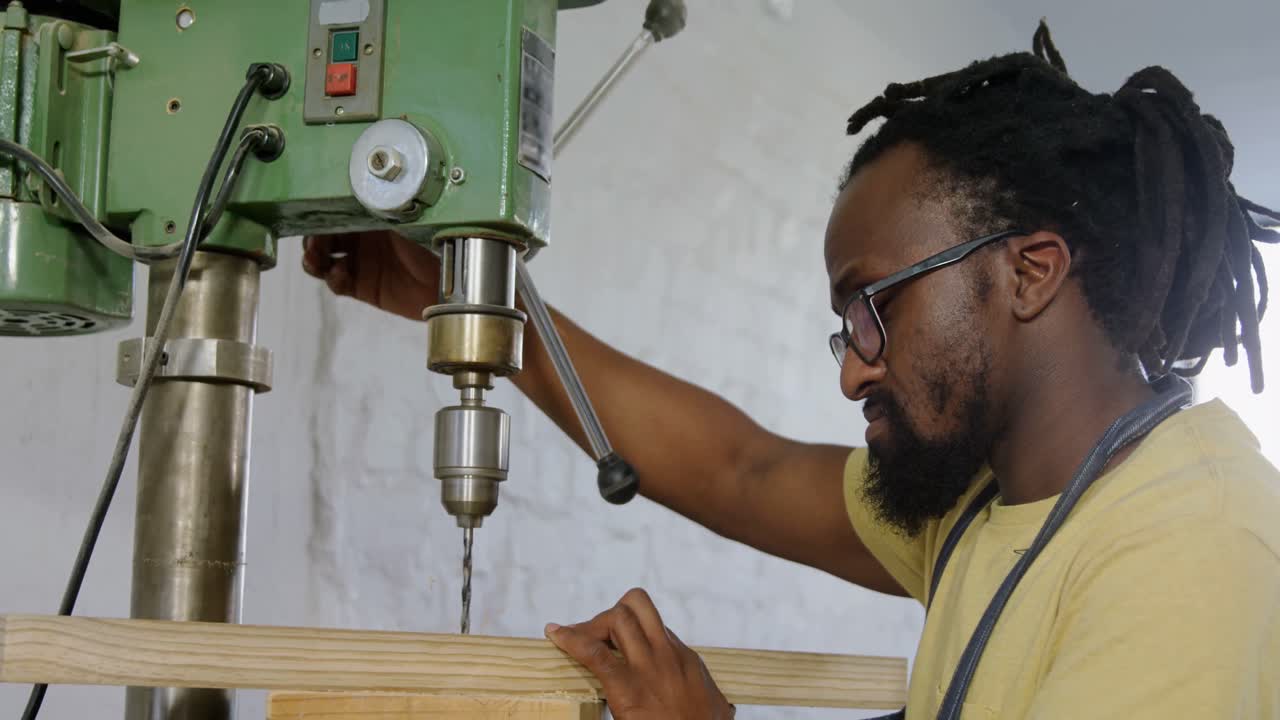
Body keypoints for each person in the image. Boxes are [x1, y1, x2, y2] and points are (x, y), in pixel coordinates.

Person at [304, 24, 1280, 720]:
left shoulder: (1188, 544)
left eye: (873, 307)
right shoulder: (987, 498)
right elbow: (743, 470)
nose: (855, 373)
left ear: (1025, 272)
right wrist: (487, 306)